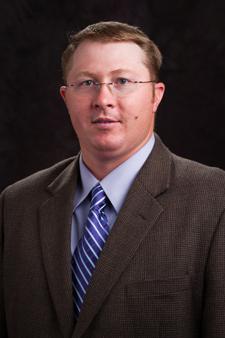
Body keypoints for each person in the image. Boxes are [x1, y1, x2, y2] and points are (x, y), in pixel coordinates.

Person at [1, 21, 225, 338]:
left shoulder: (216, 201)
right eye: (87, 82)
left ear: (155, 95)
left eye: (122, 81)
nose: (103, 99)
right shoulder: (16, 204)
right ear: (65, 97)